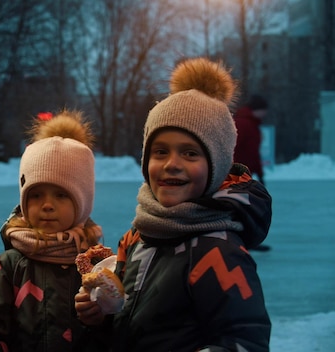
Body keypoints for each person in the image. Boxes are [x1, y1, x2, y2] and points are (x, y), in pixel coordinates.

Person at [75, 57, 272, 351]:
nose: (172, 165)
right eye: (160, 151)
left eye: (190, 153)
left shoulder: (217, 252)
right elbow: (124, 324)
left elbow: (245, 341)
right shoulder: (136, 238)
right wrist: (98, 319)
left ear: (216, 166)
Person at [0, 110, 108, 352]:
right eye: (36, 195)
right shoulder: (8, 268)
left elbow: (121, 335)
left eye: (61, 195)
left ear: (82, 201)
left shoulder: (98, 266)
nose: (47, 204)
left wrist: (101, 319)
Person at [233, 94, 269, 184]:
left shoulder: (251, 124)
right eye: (264, 110)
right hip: (238, 173)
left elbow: (253, 153)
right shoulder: (245, 124)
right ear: (258, 109)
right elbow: (250, 152)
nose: (265, 114)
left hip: (241, 173)